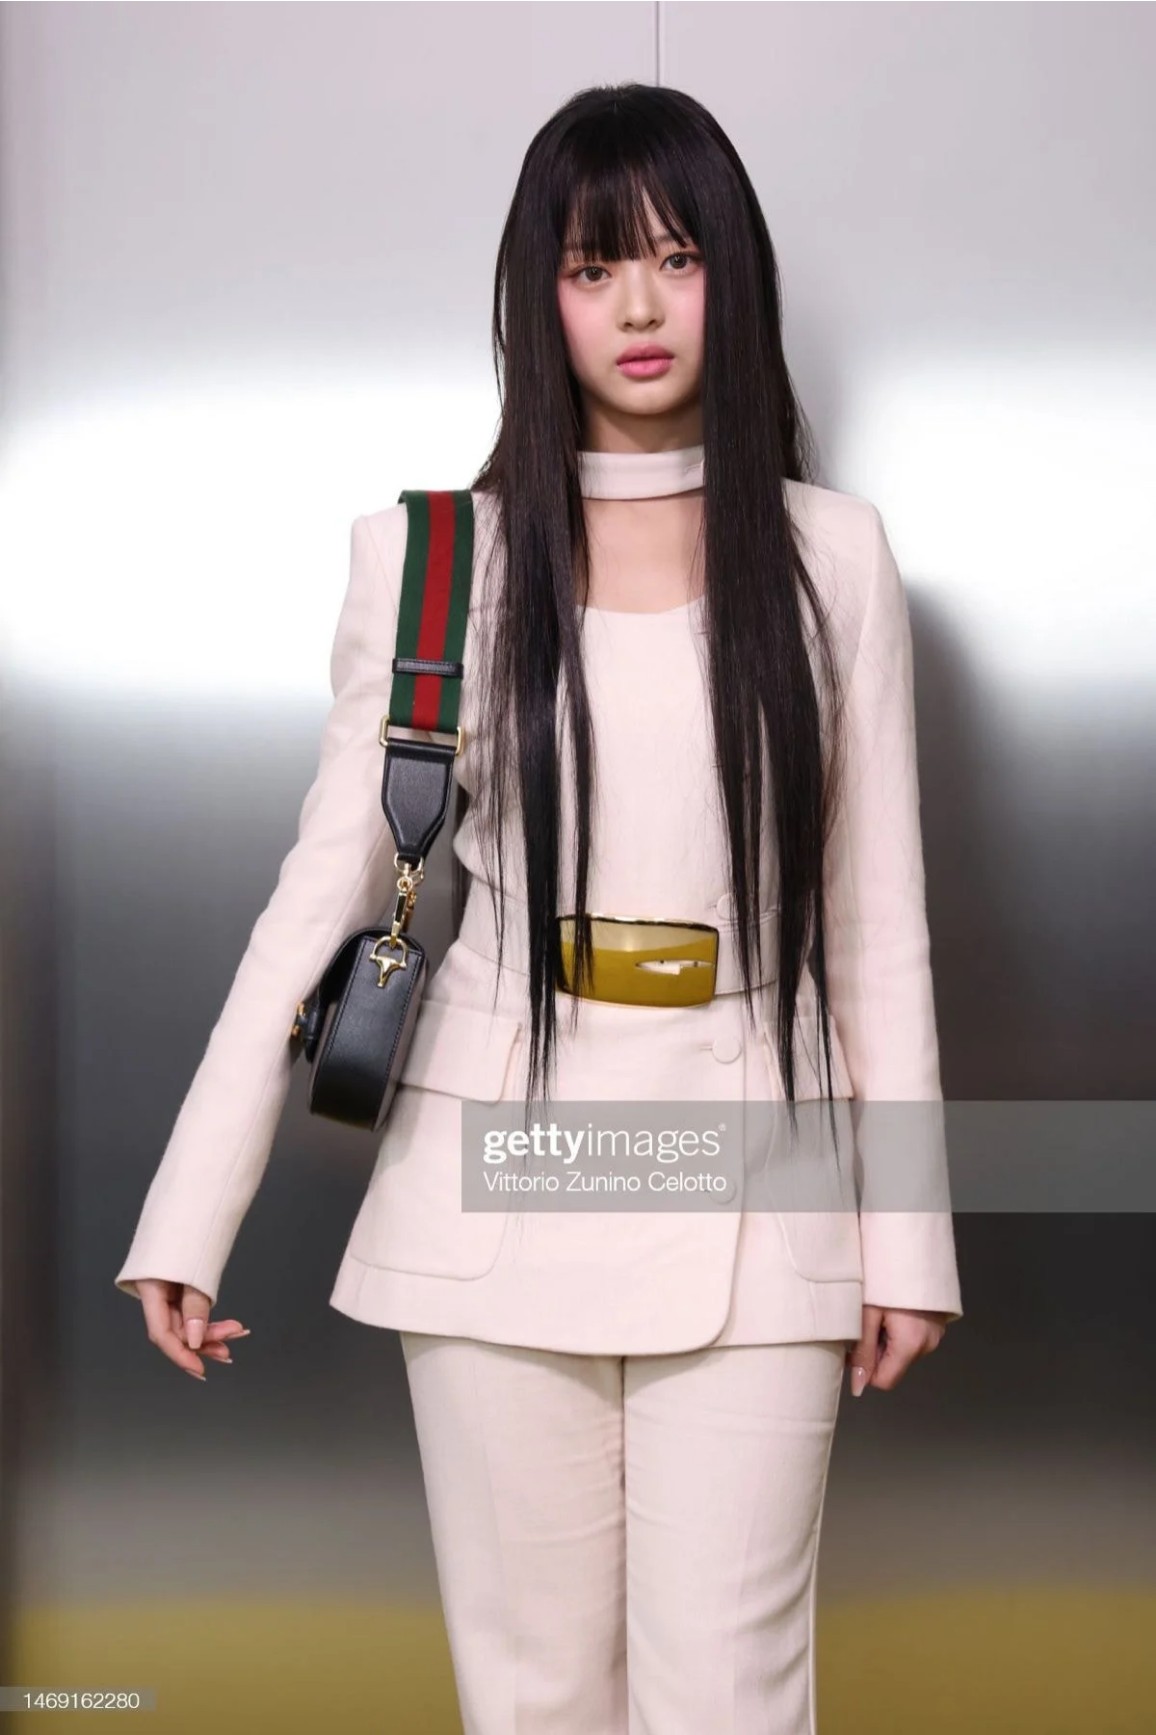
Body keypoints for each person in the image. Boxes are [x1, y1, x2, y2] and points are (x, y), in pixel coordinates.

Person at [115, 82, 963, 1734]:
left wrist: (910, 1240)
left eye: (677, 258)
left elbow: (877, 928)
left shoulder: (834, 557)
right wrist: (185, 1216)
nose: (640, 306)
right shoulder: (436, 561)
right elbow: (316, 904)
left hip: (759, 1177)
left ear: (735, 278)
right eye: (593, 267)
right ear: (538, 296)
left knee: (735, 1700)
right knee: (533, 1701)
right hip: (498, 1175)